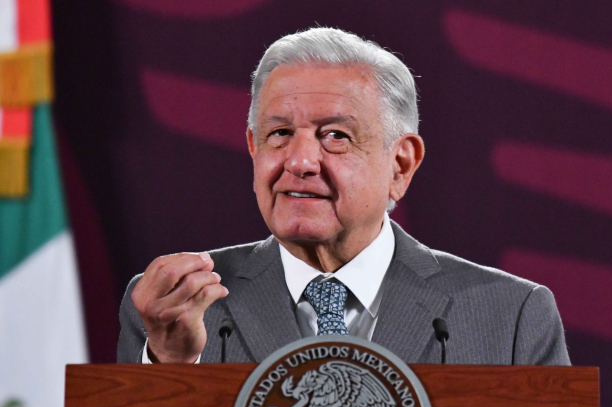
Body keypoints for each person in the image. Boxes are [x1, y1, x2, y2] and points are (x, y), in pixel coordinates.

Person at [117, 27, 570, 366]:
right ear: (254, 149)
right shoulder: (170, 308)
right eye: (280, 133)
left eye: (335, 135)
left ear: (401, 164)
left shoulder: (510, 317)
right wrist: (171, 362)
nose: (299, 161)